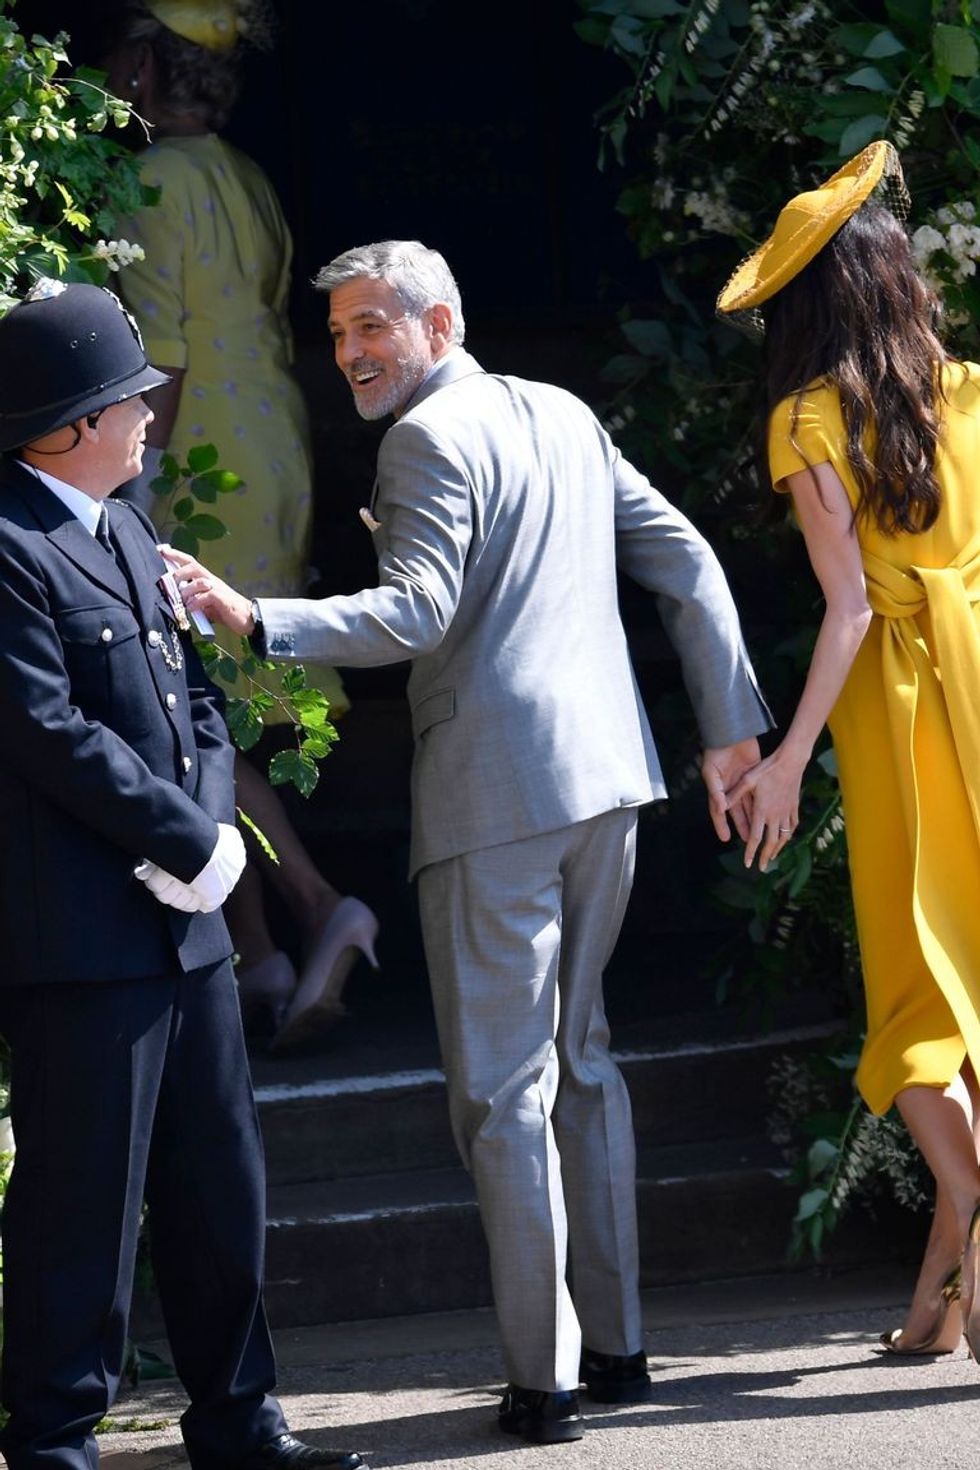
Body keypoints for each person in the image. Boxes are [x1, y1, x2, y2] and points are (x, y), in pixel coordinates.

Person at [165, 239, 771, 1443]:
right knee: (580, 1063)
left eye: (369, 329)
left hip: (496, 796)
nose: (347, 354)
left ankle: (539, 1387)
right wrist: (726, 732)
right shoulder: (558, 412)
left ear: (438, 322)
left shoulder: (426, 437)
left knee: (503, 1093)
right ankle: (618, 1352)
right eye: (335, 333)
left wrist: (254, 618)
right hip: (605, 779)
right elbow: (688, 562)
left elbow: (416, 612)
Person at [0, 280, 362, 1470]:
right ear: (63, 426)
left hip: (185, 927)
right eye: (126, 398)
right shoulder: (11, 545)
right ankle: (56, 1443)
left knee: (221, 1184)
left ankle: (241, 1425)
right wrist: (182, 841)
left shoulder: (127, 524)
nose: (148, 411)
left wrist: (209, 843)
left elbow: (196, 706)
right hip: (83, 940)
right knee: (80, 1204)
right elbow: (45, 731)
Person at [716, 140, 980, 1360]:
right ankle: (941, 1297)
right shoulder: (965, 391)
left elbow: (854, 607)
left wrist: (782, 757)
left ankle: (970, 1205)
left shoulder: (807, 416)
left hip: (901, 709)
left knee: (913, 982)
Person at [96, 0, 378, 1049]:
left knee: (195, 707)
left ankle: (313, 905)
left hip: (202, 450)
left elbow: (160, 348)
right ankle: (259, 959)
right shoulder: (246, 176)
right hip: (270, 446)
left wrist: (137, 481)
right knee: (219, 711)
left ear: (140, 61)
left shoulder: (158, 180)